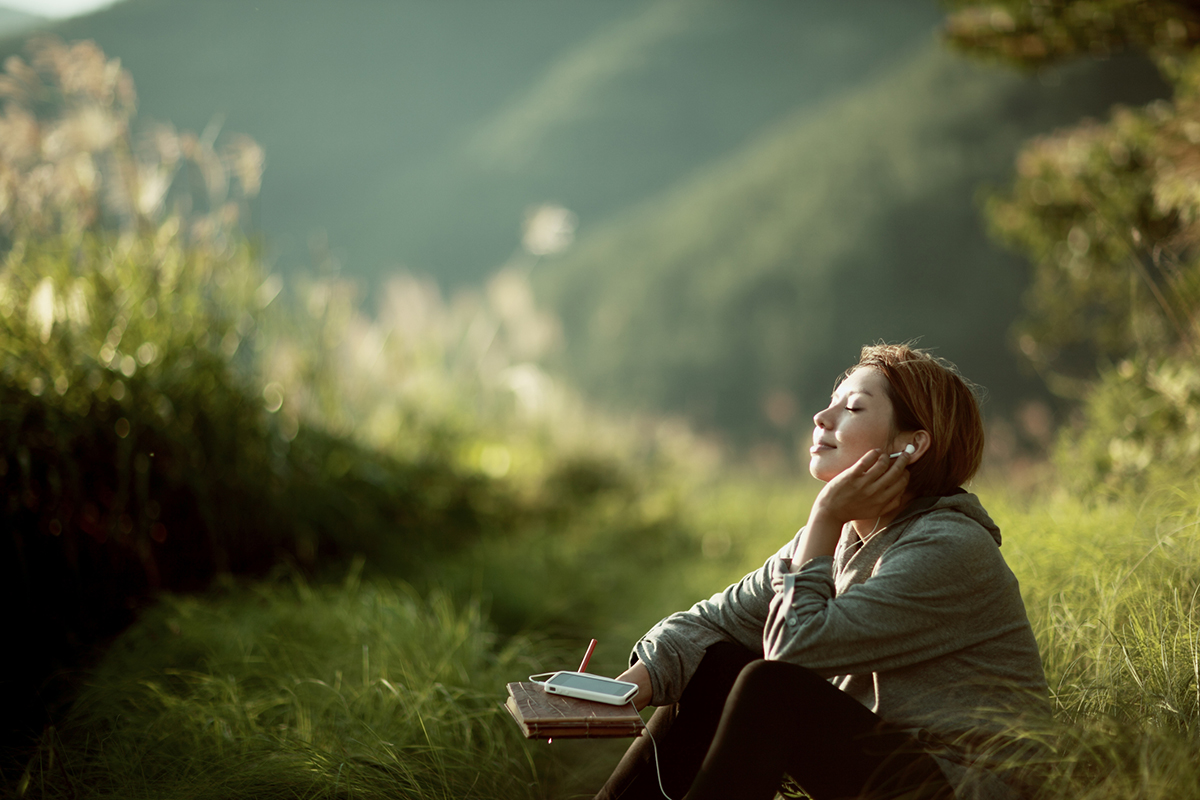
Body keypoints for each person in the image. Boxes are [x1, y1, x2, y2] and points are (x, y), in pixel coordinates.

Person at [594, 343, 1049, 800]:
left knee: (770, 687)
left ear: (911, 445)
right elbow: (716, 622)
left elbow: (791, 655)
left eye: (852, 407)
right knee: (720, 664)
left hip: (965, 782)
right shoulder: (844, 537)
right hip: (888, 765)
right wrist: (611, 697)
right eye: (832, 402)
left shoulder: (949, 547)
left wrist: (826, 514)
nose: (821, 417)